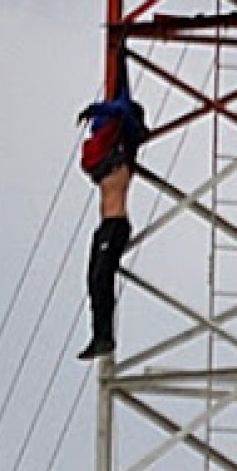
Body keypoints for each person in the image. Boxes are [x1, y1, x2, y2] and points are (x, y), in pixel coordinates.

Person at [75, 57, 147, 360]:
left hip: (116, 224)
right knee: (93, 279)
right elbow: (118, 92)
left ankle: (105, 336)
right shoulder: (110, 148)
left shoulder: (125, 140)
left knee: (103, 276)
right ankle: (99, 335)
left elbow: (122, 102)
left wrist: (100, 109)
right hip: (105, 225)